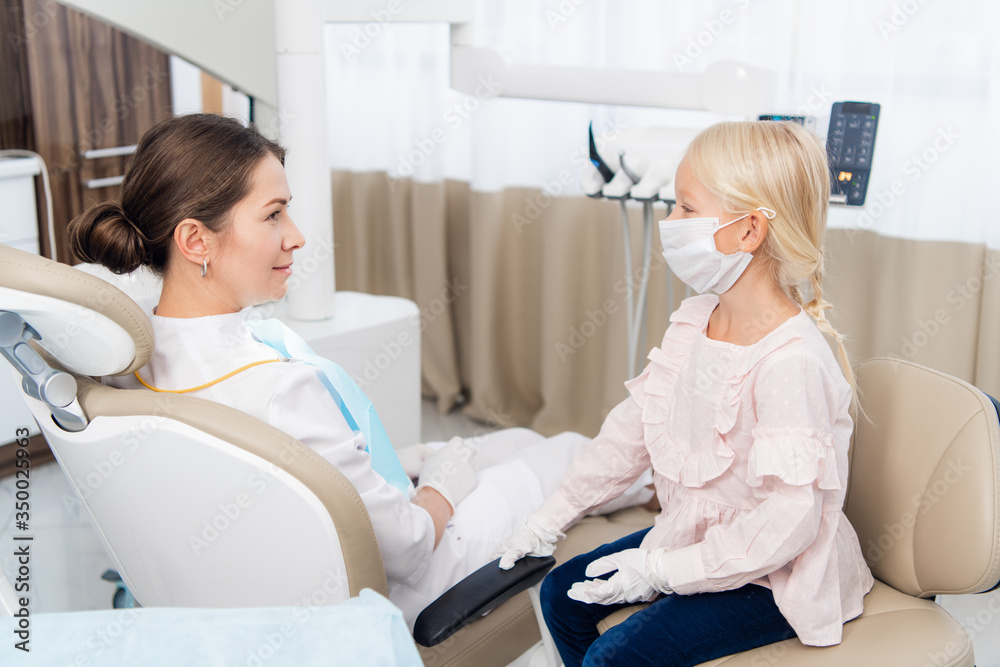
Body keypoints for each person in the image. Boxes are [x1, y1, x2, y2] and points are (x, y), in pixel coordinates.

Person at [67, 113, 652, 627]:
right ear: (196, 240)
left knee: (516, 440)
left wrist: (413, 463)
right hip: (410, 583)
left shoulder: (130, 363)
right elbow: (409, 548)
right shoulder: (278, 389)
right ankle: (674, 514)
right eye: (273, 215)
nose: (296, 238)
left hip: (277, 564)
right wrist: (444, 484)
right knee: (566, 450)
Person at [495, 120, 875, 666]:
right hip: (700, 537)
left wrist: (659, 570)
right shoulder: (696, 321)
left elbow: (789, 522)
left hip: (776, 569)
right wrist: (548, 518)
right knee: (561, 595)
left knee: (615, 657)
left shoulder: (790, 361)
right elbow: (630, 434)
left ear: (748, 231)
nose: (669, 222)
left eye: (686, 208)